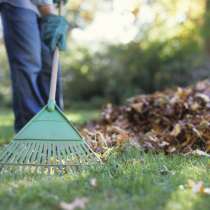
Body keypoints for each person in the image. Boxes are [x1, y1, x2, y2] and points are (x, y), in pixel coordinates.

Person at [0, 0, 69, 132]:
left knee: (50, 66)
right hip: (20, 4)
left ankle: (53, 129)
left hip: (46, 8)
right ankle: (30, 130)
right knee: (28, 63)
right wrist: (47, 6)